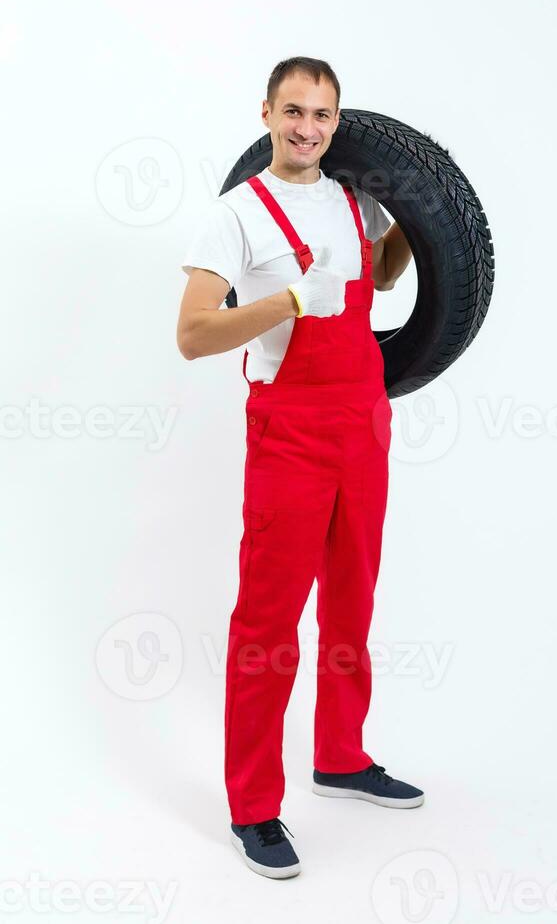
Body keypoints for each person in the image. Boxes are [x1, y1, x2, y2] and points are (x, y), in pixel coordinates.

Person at [177, 56, 422, 880]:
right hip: (288, 431)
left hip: (363, 421)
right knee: (268, 622)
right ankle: (253, 806)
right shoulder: (237, 215)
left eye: (321, 115)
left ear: (336, 121)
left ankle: (342, 756)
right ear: (267, 113)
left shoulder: (355, 197)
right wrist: (286, 302)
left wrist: (410, 222)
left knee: (353, 598)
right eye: (293, 111)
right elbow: (193, 334)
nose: (307, 128)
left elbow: (381, 280)